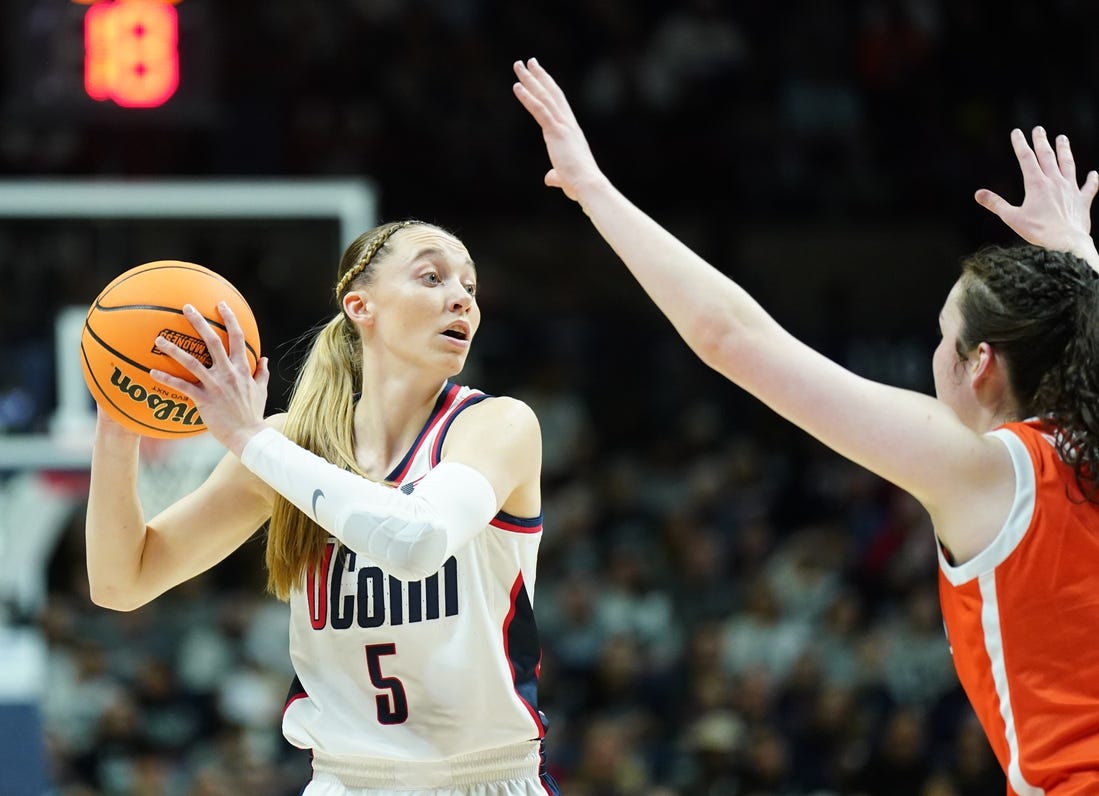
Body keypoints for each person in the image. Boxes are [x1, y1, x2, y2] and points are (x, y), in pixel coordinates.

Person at [512, 56, 1099, 794]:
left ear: (978, 364)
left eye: (941, 335)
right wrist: (1080, 265)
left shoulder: (985, 470)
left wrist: (591, 189)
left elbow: (732, 338)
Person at [85, 219, 560, 795]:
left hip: (482, 778)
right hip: (344, 780)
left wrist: (250, 439)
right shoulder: (289, 447)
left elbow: (418, 540)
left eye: (470, 286)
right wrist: (118, 423)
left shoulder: (496, 425)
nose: (461, 297)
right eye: (432, 277)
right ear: (361, 306)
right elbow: (120, 582)